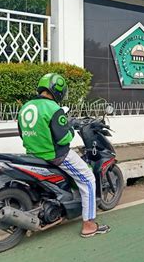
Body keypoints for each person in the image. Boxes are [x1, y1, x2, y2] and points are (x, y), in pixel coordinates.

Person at [18, 73, 110, 238]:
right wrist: (69, 128)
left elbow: (21, 133)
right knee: (88, 178)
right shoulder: (54, 109)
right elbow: (64, 138)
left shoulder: (26, 107)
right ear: (58, 90)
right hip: (56, 155)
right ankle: (89, 225)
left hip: (33, 155)